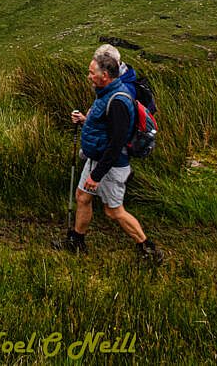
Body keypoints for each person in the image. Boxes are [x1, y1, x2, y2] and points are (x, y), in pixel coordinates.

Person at [54, 44, 162, 263]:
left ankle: (147, 247)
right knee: (82, 197)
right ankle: (76, 242)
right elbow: (104, 127)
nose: (89, 76)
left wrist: (97, 175)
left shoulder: (119, 101)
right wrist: (85, 120)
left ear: (105, 76)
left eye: (92, 73)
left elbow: (116, 143)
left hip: (110, 165)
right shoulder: (105, 93)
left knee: (114, 211)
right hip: (97, 159)